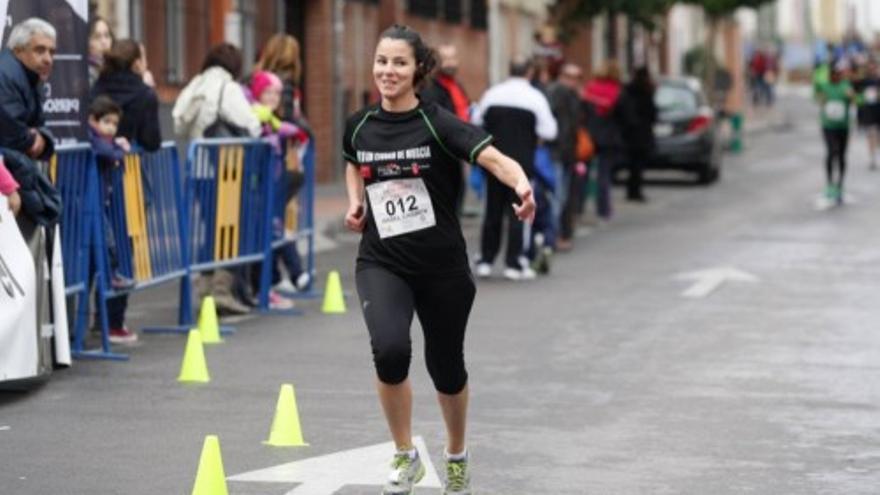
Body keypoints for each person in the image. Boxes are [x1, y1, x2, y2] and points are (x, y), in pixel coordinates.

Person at [343, 25, 535, 495]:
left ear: (418, 70)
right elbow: (354, 159)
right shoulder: (360, 124)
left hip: (442, 267)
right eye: (382, 61)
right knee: (390, 350)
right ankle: (406, 454)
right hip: (381, 261)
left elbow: (492, 159)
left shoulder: (437, 122)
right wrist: (357, 201)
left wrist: (523, 185)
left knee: (446, 368)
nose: (388, 71)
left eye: (399, 63)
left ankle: (455, 454)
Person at [173, 43, 261, 315]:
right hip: (227, 170)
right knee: (231, 229)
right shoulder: (228, 88)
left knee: (209, 228)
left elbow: (178, 123)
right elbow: (251, 126)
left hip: (199, 170)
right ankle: (222, 290)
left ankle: (205, 289)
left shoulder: (194, 85)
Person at [472, 56, 557, 281]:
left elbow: (478, 121)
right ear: (529, 72)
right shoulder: (535, 98)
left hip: (494, 162)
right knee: (521, 213)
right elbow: (550, 131)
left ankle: (486, 261)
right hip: (522, 165)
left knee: (492, 211)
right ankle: (515, 263)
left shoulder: (493, 94)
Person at [248, 70, 309, 309]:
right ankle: (266, 286)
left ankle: (271, 285)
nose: (273, 97)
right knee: (269, 232)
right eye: (267, 92)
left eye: (276, 92)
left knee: (274, 231)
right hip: (258, 186)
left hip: (270, 183)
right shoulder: (257, 115)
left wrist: (296, 132)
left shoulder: (272, 119)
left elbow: (285, 129)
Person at [0, 18, 61, 228]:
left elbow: (38, 126)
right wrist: (33, 138)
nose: (48, 59)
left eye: (52, 52)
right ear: (18, 50)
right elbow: (13, 135)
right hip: (10, 186)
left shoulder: (29, 77)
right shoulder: (6, 76)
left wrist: (41, 138)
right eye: (40, 50)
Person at [581, 59, 634, 223]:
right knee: (604, 174)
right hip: (609, 138)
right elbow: (626, 117)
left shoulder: (589, 89)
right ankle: (603, 209)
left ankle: (579, 208)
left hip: (589, 136)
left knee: (583, 173)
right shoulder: (618, 92)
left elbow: (582, 112)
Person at [91, 39, 161, 152]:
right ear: (137, 63)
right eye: (144, 59)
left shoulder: (97, 87)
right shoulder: (146, 95)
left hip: (97, 163)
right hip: (132, 166)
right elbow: (152, 143)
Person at [544, 63, 584, 251]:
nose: (574, 81)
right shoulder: (557, 93)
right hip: (557, 152)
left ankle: (559, 234)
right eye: (570, 76)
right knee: (558, 196)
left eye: (577, 77)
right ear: (562, 76)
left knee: (563, 195)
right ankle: (553, 236)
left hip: (567, 152)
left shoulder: (573, 95)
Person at [815, 62, 855, 205]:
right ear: (830, 75)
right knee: (832, 152)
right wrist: (821, 99)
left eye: (838, 74)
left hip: (843, 126)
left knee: (842, 155)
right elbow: (817, 99)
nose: (836, 76)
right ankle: (830, 183)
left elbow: (856, 101)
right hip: (828, 126)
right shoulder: (825, 86)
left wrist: (852, 97)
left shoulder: (846, 86)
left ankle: (840, 184)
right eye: (833, 74)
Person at [623, 66, 657, 202]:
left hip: (630, 134)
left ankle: (632, 190)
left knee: (633, 164)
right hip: (642, 134)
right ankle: (635, 191)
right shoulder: (646, 92)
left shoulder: (627, 90)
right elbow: (652, 113)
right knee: (638, 165)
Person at [852, 60, 880, 170]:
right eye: (870, 68)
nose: (872, 70)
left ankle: (875, 154)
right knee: (871, 135)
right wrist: (860, 100)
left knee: (877, 138)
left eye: (874, 68)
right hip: (869, 113)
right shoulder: (862, 81)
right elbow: (853, 93)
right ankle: (872, 159)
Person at [87, 16, 113, 87]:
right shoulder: (85, 73)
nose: (104, 42)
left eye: (107, 35)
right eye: (97, 37)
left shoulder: (117, 68)